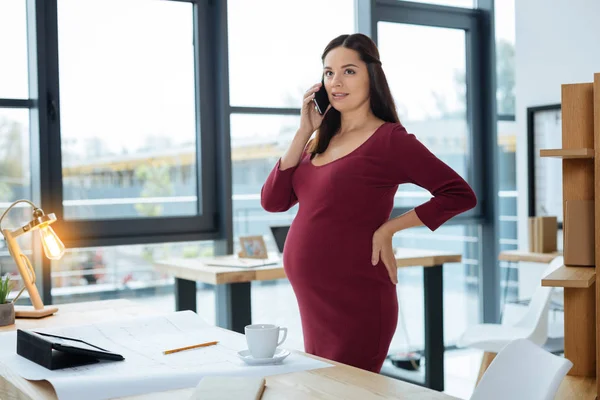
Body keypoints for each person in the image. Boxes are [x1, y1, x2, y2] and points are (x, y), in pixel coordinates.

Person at [260, 33, 477, 373]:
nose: (336, 82)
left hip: (357, 300)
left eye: (348, 71)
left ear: (371, 76)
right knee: (326, 391)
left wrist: (390, 229)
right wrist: (303, 132)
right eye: (328, 73)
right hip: (314, 303)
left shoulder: (389, 140)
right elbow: (273, 201)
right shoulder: (319, 141)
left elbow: (459, 193)